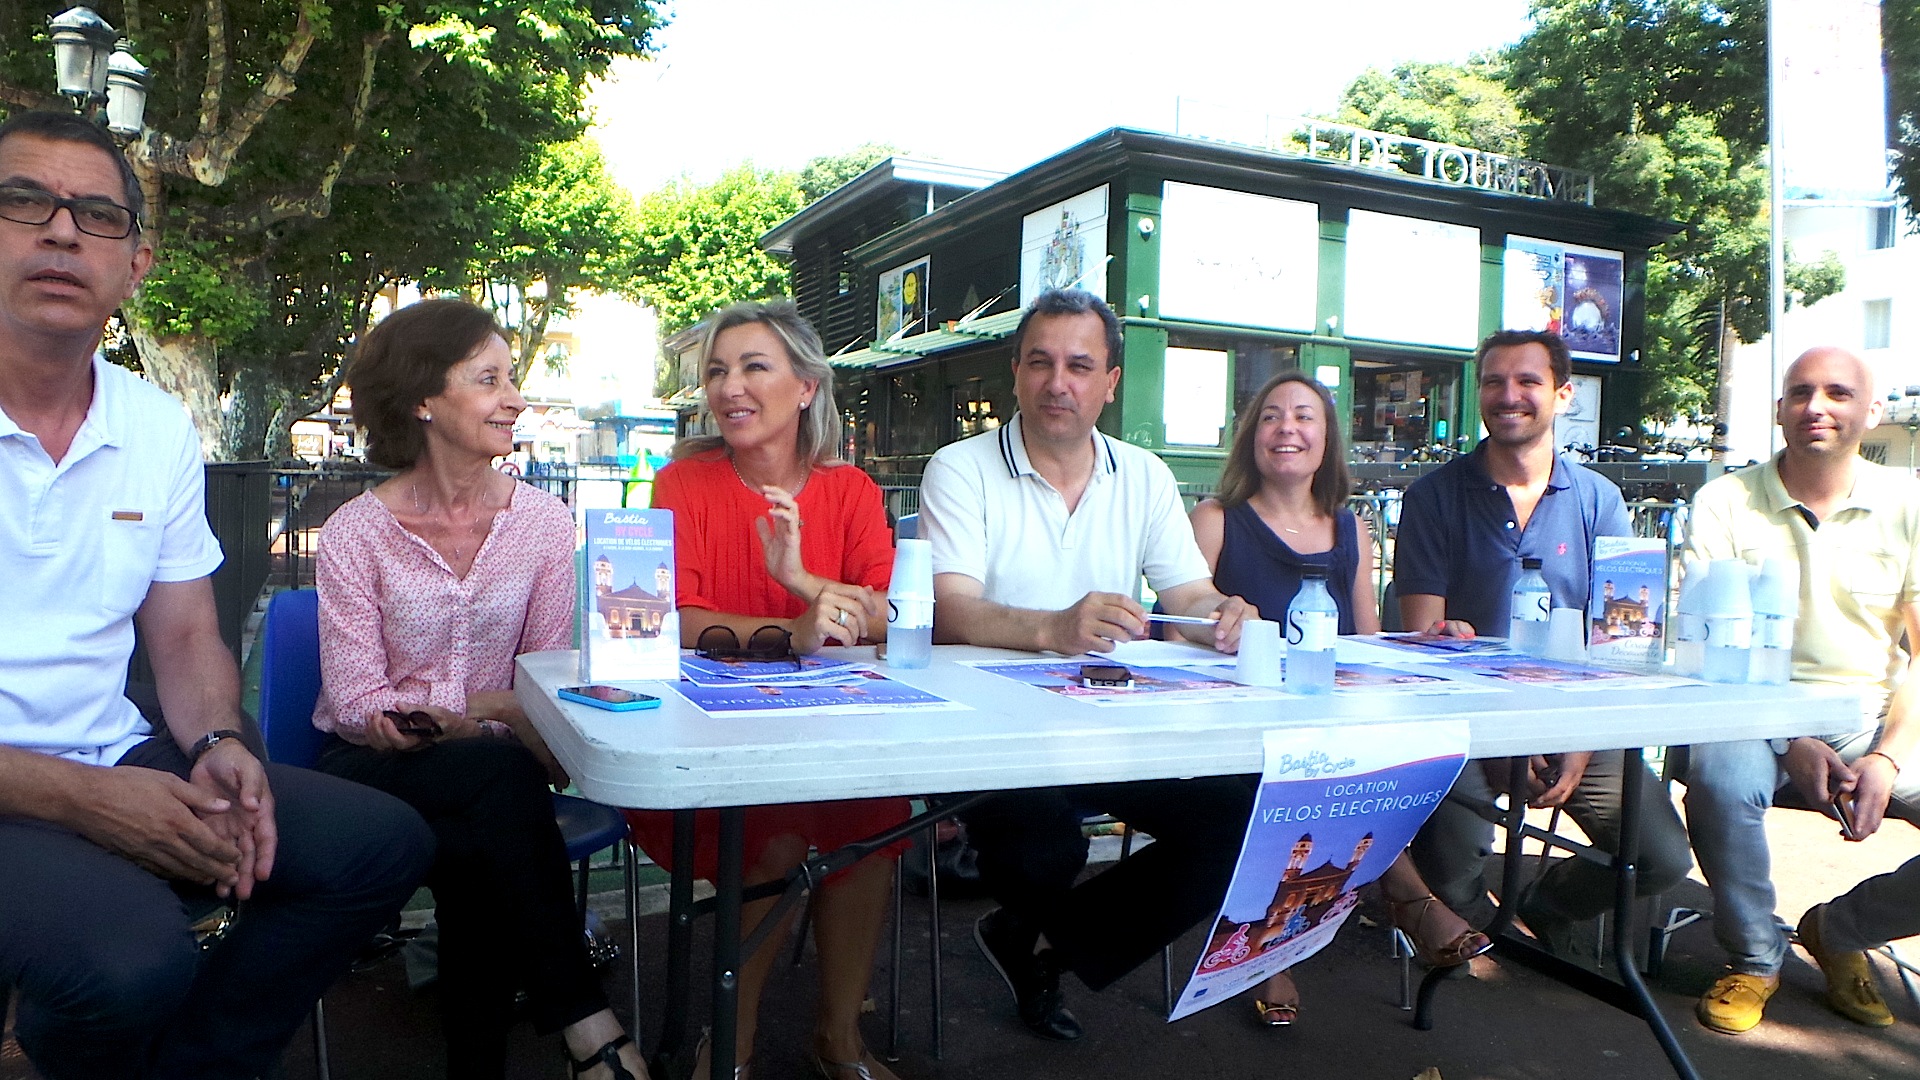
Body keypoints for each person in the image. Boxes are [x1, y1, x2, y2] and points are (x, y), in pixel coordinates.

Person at [0, 109, 433, 1080]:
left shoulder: (151, 426)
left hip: (110, 749)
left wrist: (219, 746)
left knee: (376, 844)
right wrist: (90, 802)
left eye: (97, 215)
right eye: (25, 201)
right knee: (132, 957)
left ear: (136, 263)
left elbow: (189, 637)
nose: (62, 231)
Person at [311, 298, 650, 1080]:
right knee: (499, 790)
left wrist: (471, 719)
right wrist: (424, 721)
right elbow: (357, 694)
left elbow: (544, 678)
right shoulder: (357, 532)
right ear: (425, 399)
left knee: (477, 842)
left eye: (513, 380)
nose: (517, 399)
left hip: (494, 769)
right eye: (489, 379)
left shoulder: (539, 521)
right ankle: (588, 1030)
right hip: (373, 766)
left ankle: (496, 1063)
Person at [920, 287, 1258, 1041]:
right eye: (1039, 362)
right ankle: (1042, 938)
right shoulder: (960, 467)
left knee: (1238, 821)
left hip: (1111, 719)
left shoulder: (1143, 474)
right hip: (986, 726)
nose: (1057, 382)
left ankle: (1039, 943)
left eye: (1079, 365)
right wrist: (1054, 627)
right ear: (1013, 372)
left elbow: (1188, 594)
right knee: (1047, 846)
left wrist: (1223, 617)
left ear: (1110, 381)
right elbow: (949, 607)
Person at [625, 299, 905, 1080]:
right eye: (718, 370)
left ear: (807, 387)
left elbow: (886, 614)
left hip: (834, 730)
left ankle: (838, 1038)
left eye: (753, 366)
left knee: (874, 825)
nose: (729, 387)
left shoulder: (849, 492)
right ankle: (731, 1047)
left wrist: (801, 581)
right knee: (773, 836)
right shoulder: (683, 481)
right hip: (705, 735)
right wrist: (796, 631)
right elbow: (668, 619)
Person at [1191, 370, 1492, 1025]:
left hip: (1327, 719)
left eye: (1304, 417)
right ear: (1251, 436)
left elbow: (1365, 645)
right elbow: (1181, 631)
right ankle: (1394, 906)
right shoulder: (1216, 520)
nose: (1287, 429)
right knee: (1309, 771)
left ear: (1326, 440)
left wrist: (1428, 643)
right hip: (1238, 726)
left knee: (1384, 760)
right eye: (1272, 416)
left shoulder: (1350, 530)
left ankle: (1293, 936)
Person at [1392, 329, 1691, 951]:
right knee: (1452, 870)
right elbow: (1424, 637)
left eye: (1528, 381)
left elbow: (1622, 640)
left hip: (1574, 718)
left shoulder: (1601, 500)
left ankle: (1541, 905)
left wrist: (1579, 737)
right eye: (1494, 381)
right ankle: (1486, 929)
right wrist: (1503, 731)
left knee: (1661, 857)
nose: (1509, 395)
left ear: (1562, 394)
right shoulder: (1432, 496)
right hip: (1464, 723)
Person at [1680, 345, 1920, 1034]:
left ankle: (1840, 929)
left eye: (1839, 393)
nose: (1817, 406)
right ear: (1779, 409)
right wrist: (1790, 739)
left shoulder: (1908, 503)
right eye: (1801, 392)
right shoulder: (1724, 502)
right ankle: (1756, 956)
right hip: (1748, 713)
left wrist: (1888, 760)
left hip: (1871, 718)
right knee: (1720, 779)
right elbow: (1706, 648)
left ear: (1870, 410)